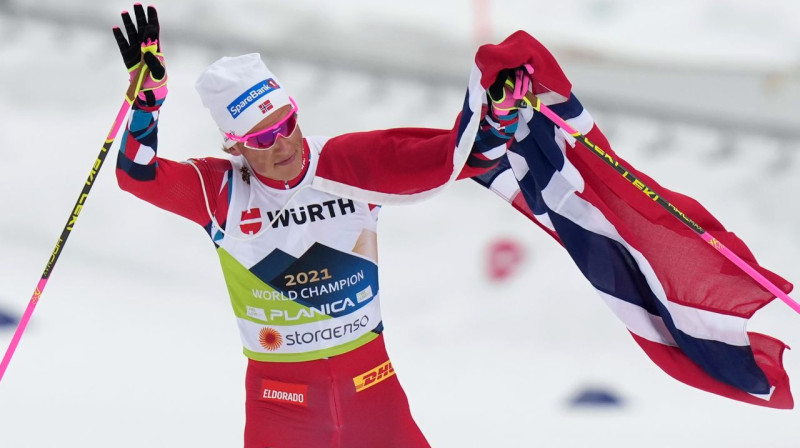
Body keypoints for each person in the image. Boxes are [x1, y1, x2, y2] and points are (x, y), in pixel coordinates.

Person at [111, 4, 513, 447]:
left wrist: (499, 115)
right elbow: (137, 174)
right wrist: (147, 105)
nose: (283, 143)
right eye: (262, 138)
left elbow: (453, 159)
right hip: (281, 405)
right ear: (235, 146)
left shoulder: (348, 162)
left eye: (287, 123)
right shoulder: (222, 189)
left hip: (371, 388)